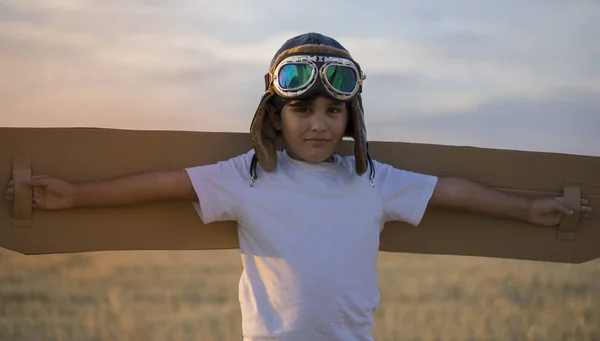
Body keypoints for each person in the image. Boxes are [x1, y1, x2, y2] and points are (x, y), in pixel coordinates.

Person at [4, 32, 594, 341]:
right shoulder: (250, 176)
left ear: (352, 120)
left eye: (334, 111)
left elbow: (454, 192)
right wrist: (77, 195)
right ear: (275, 115)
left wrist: (529, 209)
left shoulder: (370, 181)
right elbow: (161, 183)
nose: (318, 123)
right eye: (303, 109)